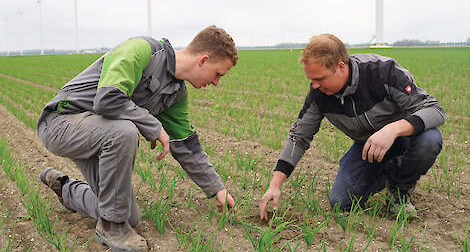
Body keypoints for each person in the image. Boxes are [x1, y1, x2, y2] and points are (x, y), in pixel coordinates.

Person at [37, 25, 238, 252]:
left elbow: (186, 145)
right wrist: (154, 126)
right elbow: (108, 99)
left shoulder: (175, 93)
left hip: (98, 134)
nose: (216, 82)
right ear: (203, 60)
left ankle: (66, 189)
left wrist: (217, 188)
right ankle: (111, 227)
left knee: (128, 216)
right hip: (61, 123)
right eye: (218, 74)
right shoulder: (142, 50)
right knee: (124, 132)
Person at [259, 34, 444, 221]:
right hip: (368, 148)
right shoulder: (319, 94)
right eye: (311, 79)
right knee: (341, 202)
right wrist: (275, 184)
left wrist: (392, 130)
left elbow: (434, 110)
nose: (314, 86)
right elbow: (299, 137)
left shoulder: (382, 71)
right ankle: (388, 171)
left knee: (430, 140)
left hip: (405, 137)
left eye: (320, 78)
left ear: (341, 66)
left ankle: (399, 190)